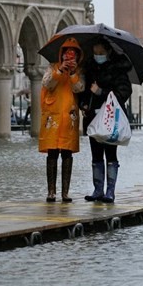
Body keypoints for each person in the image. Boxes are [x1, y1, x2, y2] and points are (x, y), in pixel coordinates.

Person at [80, 38, 134, 203]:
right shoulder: (89, 68)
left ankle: (110, 191)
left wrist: (101, 92)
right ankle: (98, 190)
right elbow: (84, 91)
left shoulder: (117, 70)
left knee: (110, 154)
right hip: (93, 116)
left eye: (101, 53)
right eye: (96, 53)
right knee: (96, 155)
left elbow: (124, 91)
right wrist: (83, 103)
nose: (98, 56)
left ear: (108, 52)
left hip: (112, 118)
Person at [38, 37, 85, 203]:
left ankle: (65, 192)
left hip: (69, 117)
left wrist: (72, 74)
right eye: (67, 54)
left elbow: (79, 88)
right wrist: (59, 72)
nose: (69, 58)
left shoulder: (79, 71)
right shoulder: (52, 68)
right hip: (53, 115)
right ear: (62, 55)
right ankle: (51, 191)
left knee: (67, 153)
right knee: (52, 153)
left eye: (73, 55)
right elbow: (47, 84)